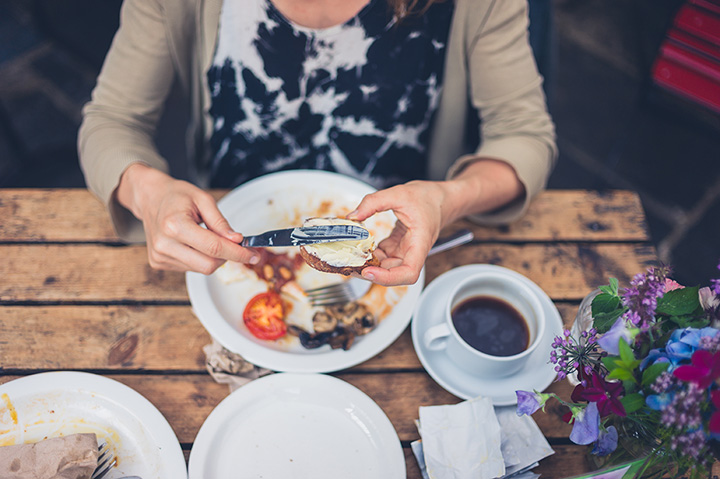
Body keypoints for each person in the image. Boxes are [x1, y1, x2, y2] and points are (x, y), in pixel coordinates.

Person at [78, 0, 557, 287]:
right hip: (229, 252)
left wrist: (448, 198)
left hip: (396, 247)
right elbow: (111, 122)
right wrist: (150, 193)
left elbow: (523, 135)